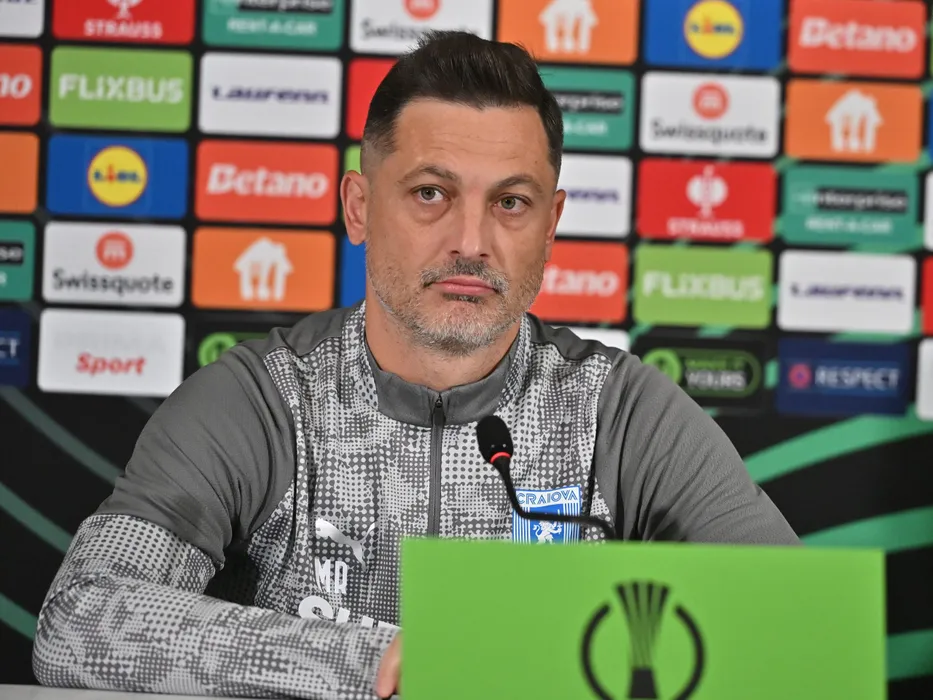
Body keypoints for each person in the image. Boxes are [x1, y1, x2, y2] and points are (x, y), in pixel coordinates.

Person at [32, 30, 799, 700]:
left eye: (510, 203)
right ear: (358, 207)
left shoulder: (621, 411)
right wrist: (377, 663)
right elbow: (80, 619)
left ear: (550, 224)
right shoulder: (259, 401)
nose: (471, 241)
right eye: (431, 193)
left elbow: (792, 625)